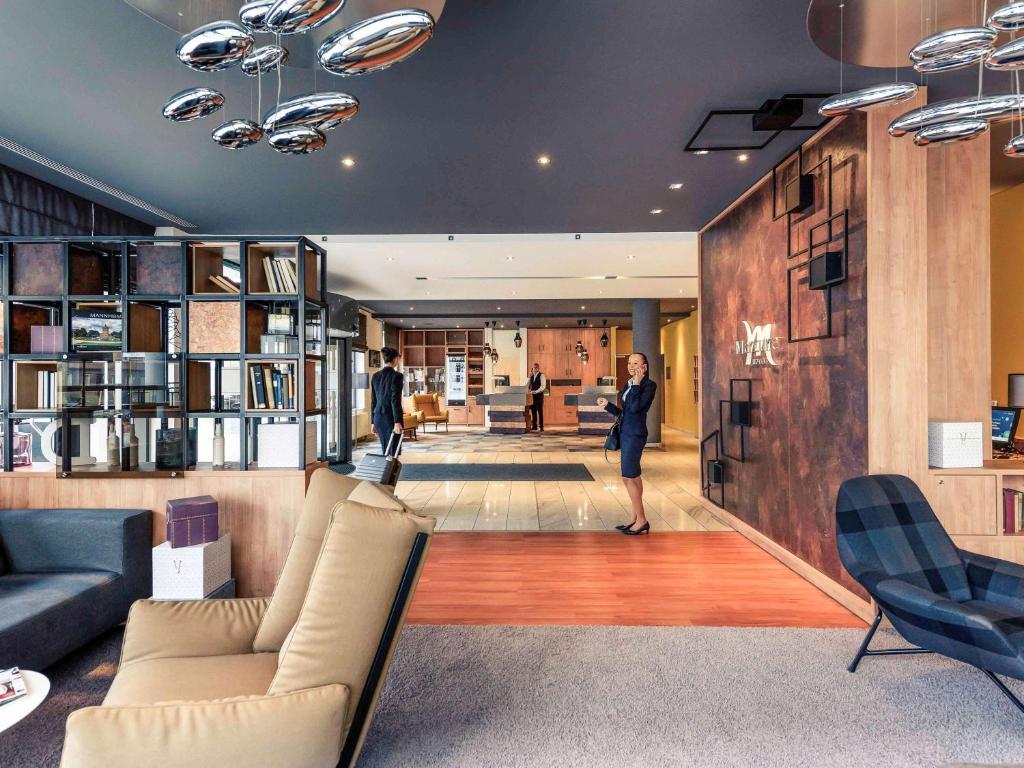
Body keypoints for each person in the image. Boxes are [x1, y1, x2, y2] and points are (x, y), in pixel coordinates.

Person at [597, 352, 657, 535]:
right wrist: (607, 405)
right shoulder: (628, 384)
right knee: (630, 477)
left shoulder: (648, 385)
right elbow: (626, 412)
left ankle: (642, 520)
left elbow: (637, 407)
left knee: (629, 476)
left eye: (636, 363)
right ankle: (635, 517)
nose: (631, 366)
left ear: (645, 366)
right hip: (625, 432)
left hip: (635, 434)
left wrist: (637, 384)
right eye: (630, 363)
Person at [370, 346, 404, 456]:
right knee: (394, 451)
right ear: (394, 359)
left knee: (385, 449)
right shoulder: (397, 376)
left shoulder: (375, 376)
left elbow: (373, 400)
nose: (398, 361)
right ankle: (391, 472)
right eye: (398, 359)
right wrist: (397, 421)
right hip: (391, 418)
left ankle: (387, 472)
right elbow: (395, 400)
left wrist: (373, 422)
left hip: (378, 417)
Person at [527, 362, 546, 431]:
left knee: (540, 411)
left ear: (538, 368)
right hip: (532, 396)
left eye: (536, 368)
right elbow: (527, 385)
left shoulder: (542, 375)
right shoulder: (531, 376)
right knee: (533, 411)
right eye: (533, 368)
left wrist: (536, 391)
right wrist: (529, 377)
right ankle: (534, 426)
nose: (534, 369)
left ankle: (541, 426)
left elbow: (543, 386)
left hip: (539, 395)